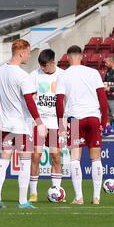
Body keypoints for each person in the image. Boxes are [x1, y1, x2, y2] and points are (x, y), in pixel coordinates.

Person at [0, 39, 46, 209]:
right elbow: (30, 101)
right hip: (21, 125)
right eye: (28, 52)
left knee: (3, 161)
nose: (29, 55)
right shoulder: (22, 75)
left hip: (5, 124)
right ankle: (23, 201)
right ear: (21, 52)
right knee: (25, 161)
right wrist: (39, 122)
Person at [56, 45, 108, 205]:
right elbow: (103, 98)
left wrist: (61, 124)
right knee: (96, 158)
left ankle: (79, 197)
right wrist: (103, 121)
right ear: (81, 56)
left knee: (75, 159)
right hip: (93, 117)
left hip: (76, 119)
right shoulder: (93, 73)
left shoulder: (63, 76)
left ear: (67, 57)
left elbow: (59, 102)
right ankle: (96, 196)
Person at [28, 49, 65, 202]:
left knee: (56, 156)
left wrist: (65, 121)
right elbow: (28, 98)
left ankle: (56, 189)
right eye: (41, 65)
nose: (43, 68)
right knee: (35, 156)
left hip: (56, 123)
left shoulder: (63, 75)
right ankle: (33, 193)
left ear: (53, 62)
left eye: (45, 65)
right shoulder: (33, 75)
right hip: (40, 122)